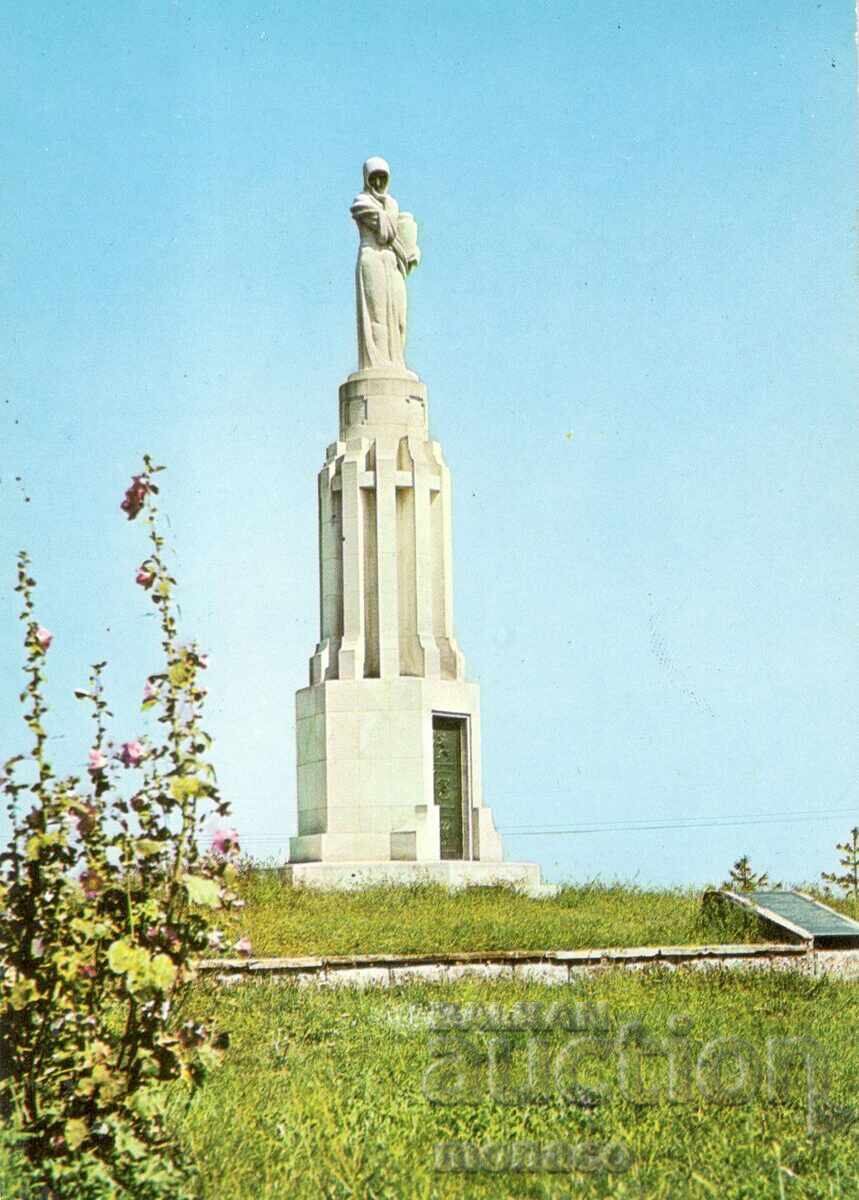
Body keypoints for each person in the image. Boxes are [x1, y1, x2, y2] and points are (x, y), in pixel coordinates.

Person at [350, 157, 420, 369]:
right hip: (372, 259)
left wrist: (411, 250)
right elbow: (385, 233)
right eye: (374, 178)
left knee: (399, 320)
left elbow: (392, 232)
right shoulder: (361, 203)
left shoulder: (392, 204)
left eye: (382, 178)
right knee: (377, 318)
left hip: (392, 264)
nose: (378, 184)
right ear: (367, 179)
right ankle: (377, 365)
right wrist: (403, 245)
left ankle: (396, 363)